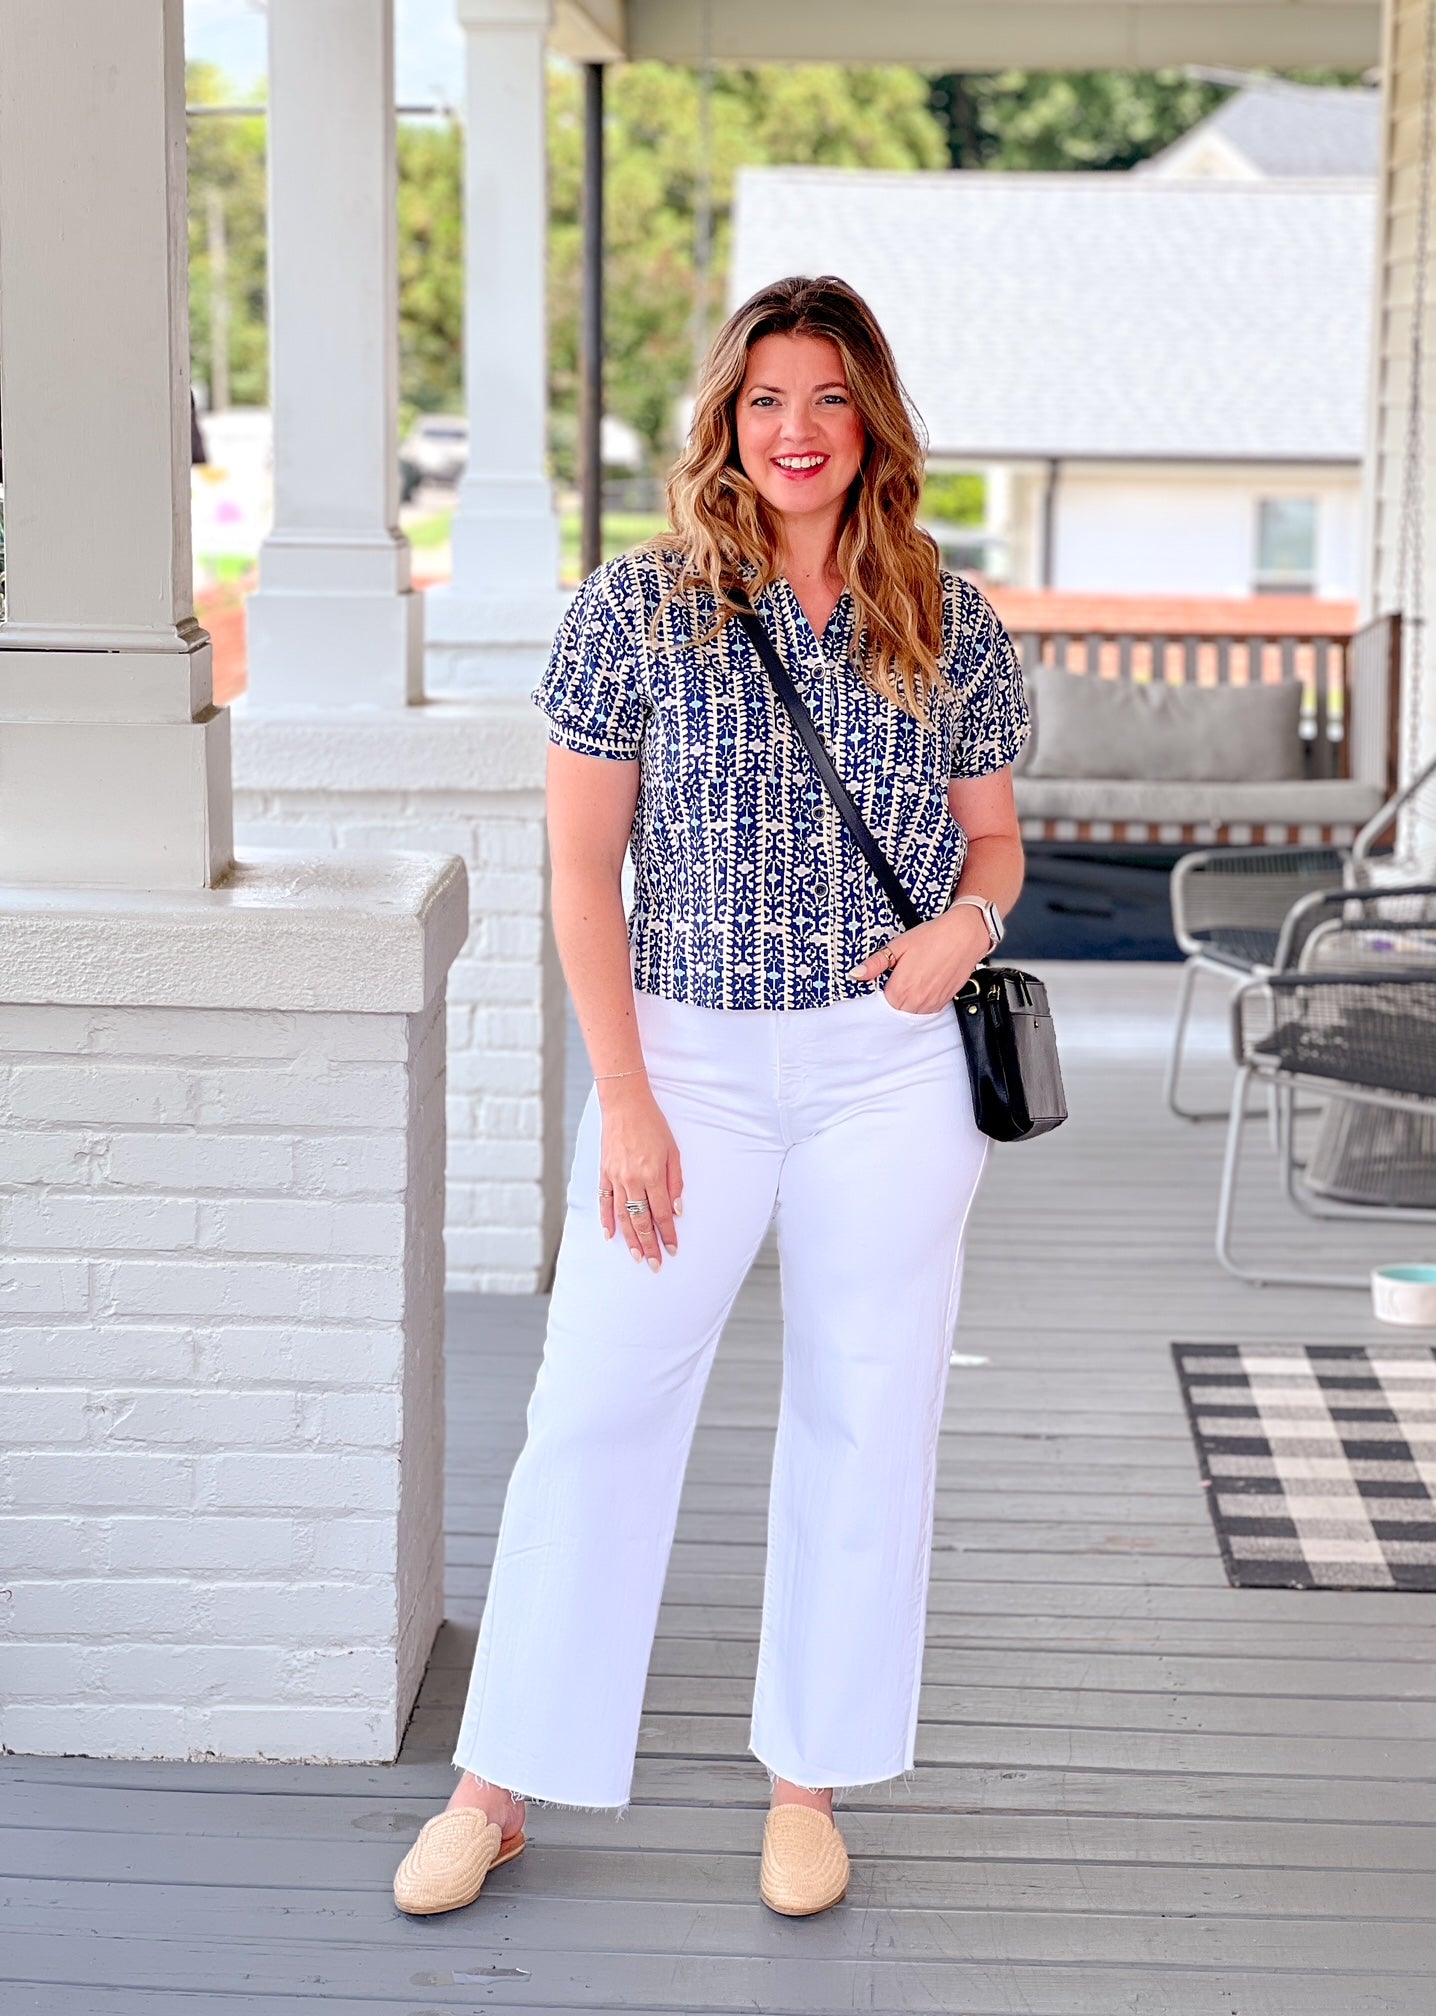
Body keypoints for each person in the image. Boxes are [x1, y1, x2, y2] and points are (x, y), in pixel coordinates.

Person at [393, 274, 1028, 1922]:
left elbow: (997, 842)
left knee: (867, 1408)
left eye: (828, 398)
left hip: (888, 1071)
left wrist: (965, 926)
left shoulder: (947, 617)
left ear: (871, 421)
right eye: (766, 399)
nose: (797, 431)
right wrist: (626, 1100)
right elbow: (581, 876)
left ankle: (806, 1785)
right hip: (683, 1063)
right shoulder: (634, 608)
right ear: (726, 423)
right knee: (596, 1405)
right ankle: (497, 1782)